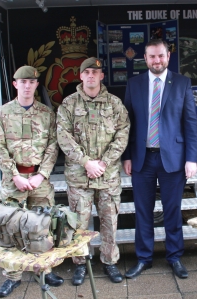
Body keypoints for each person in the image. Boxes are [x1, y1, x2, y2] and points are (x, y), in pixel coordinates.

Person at [122, 39, 197, 279]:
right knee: (143, 211)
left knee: (172, 210)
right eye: (152, 56)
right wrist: (126, 156)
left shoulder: (182, 83)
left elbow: (191, 123)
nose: (157, 60)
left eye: (161, 56)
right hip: (142, 159)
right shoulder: (134, 84)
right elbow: (126, 124)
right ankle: (144, 258)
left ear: (168, 57)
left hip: (173, 159)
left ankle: (174, 256)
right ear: (145, 59)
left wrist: (192, 158)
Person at [0, 66, 63, 298]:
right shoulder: (2, 113)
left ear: (36, 85)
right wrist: (15, 176)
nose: (28, 86)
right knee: (10, 228)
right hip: (14, 181)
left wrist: (42, 174)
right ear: (15, 85)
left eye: (32, 82)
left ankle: (45, 269)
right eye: (23, 82)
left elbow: (53, 146)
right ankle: (13, 276)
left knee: (43, 226)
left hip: (39, 179)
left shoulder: (46, 113)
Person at [56, 57, 130, 285]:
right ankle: (81, 263)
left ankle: (110, 262)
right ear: (80, 76)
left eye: (94, 72)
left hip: (107, 177)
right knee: (79, 224)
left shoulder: (115, 104)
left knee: (109, 222)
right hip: (80, 176)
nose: (90, 76)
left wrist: (103, 163)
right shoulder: (68, 104)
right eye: (86, 72)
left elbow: (123, 134)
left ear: (101, 76)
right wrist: (87, 163)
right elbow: (63, 137)